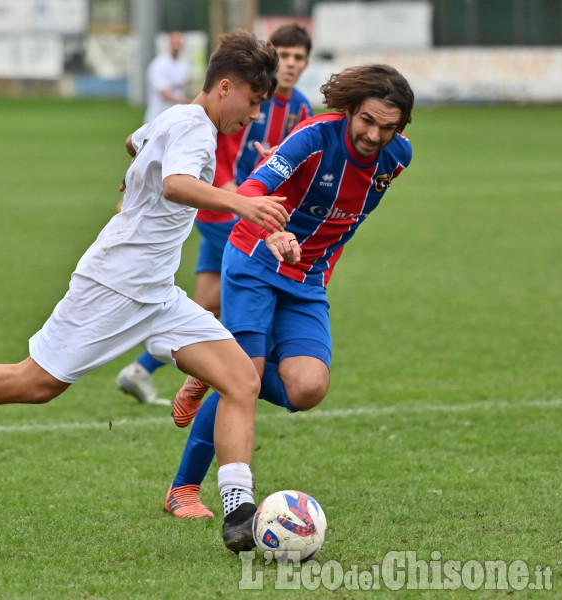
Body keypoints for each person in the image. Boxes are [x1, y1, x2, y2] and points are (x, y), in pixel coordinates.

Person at [0, 30, 289, 553]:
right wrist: (241, 203)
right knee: (36, 382)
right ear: (226, 87)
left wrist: (130, 194)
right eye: (254, 101)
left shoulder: (176, 117)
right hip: (112, 284)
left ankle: (239, 511)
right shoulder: (195, 129)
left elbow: (135, 143)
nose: (255, 115)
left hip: (156, 292)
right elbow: (175, 183)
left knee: (240, 379)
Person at [163, 64, 415, 520]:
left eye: (387, 127)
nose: (375, 135)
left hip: (308, 278)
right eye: (367, 121)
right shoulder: (314, 136)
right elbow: (254, 188)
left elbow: (344, 219)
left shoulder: (398, 158)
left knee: (307, 388)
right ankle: (184, 488)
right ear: (349, 110)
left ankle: (211, 371)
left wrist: (315, 262)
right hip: (255, 258)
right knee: (245, 377)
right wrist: (273, 228)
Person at [117, 24, 313, 408]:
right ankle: (215, 374)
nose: (289, 65)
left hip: (240, 209)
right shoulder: (241, 99)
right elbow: (212, 158)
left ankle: (140, 370)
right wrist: (244, 203)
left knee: (209, 300)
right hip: (228, 208)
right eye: (284, 56)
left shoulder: (300, 108)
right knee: (258, 289)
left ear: (306, 63)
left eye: (298, 58)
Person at [143, 31, 192, 124]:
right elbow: (163, 93)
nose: (177, 46)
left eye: (180, 43)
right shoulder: (159, 64)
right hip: (157, 117)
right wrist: (186, 102)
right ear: (169, 43)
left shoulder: (184, 66)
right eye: (175, 43)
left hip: (175, 118)